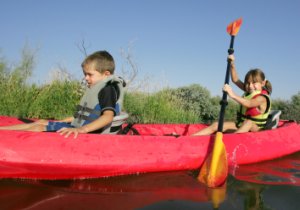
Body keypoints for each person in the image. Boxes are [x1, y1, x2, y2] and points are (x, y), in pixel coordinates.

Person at [0, 50, 126, 138]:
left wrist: (82, 129)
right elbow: (83, 116)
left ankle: (7, 138)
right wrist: (63, 121)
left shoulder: (107, 90)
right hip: (78, 127)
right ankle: (2, 130)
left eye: (90, 74)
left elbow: (108, 117)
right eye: (85, 74)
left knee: (39, 128)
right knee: (42, 122)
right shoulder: (97, 88)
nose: (86, 78)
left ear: (106, 74)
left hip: (90, 134)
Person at [193, 54, 272, 136]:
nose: (250, 85)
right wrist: (232, 64)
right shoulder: (248, 90)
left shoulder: (263, 98)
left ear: (262, 83)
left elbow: (249, 103)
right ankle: (189, 139)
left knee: (248, 122)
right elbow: (235, 80)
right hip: (241, 125)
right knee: (217, 125)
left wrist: (232, 94)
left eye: (254, 83)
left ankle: (232, 140)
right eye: (248, 83)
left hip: (257, 130)